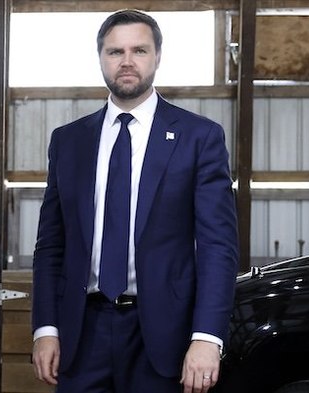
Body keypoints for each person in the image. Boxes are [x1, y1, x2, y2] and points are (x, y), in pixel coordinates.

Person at [30, 9, 238, 393]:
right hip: (82, 333)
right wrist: (45, 327)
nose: (126, 62)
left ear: (157, 56)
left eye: (139, 50)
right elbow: (50, 246)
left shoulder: (199, 137)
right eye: (115, 52)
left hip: (163, 334)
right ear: (100, 58)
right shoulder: (69, 141)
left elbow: (217, 248)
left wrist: (207, 337)